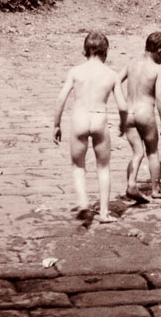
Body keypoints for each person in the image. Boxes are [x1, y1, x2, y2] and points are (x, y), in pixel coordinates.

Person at [53, 32, 127, 223]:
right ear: (106, 51)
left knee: (78, 165)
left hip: (79, 118)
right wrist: (123, 123)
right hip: (99, 120)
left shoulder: (76, 71)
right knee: (103, 167)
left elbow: (61, 98)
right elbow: (123, 106)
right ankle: (103, 212)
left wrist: (56, 124)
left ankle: (84, 203)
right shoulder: (111, 74)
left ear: (85, 50)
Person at [120, 31, 161, 203]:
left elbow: (115, 81)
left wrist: (121, 103)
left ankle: (131, 184)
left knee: (137, 152)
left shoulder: (131, 64)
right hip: (145, 113)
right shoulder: (158, 69)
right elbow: (160, 96)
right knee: (152, 152)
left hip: (129, 113)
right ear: (160, 49)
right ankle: (156, 189)